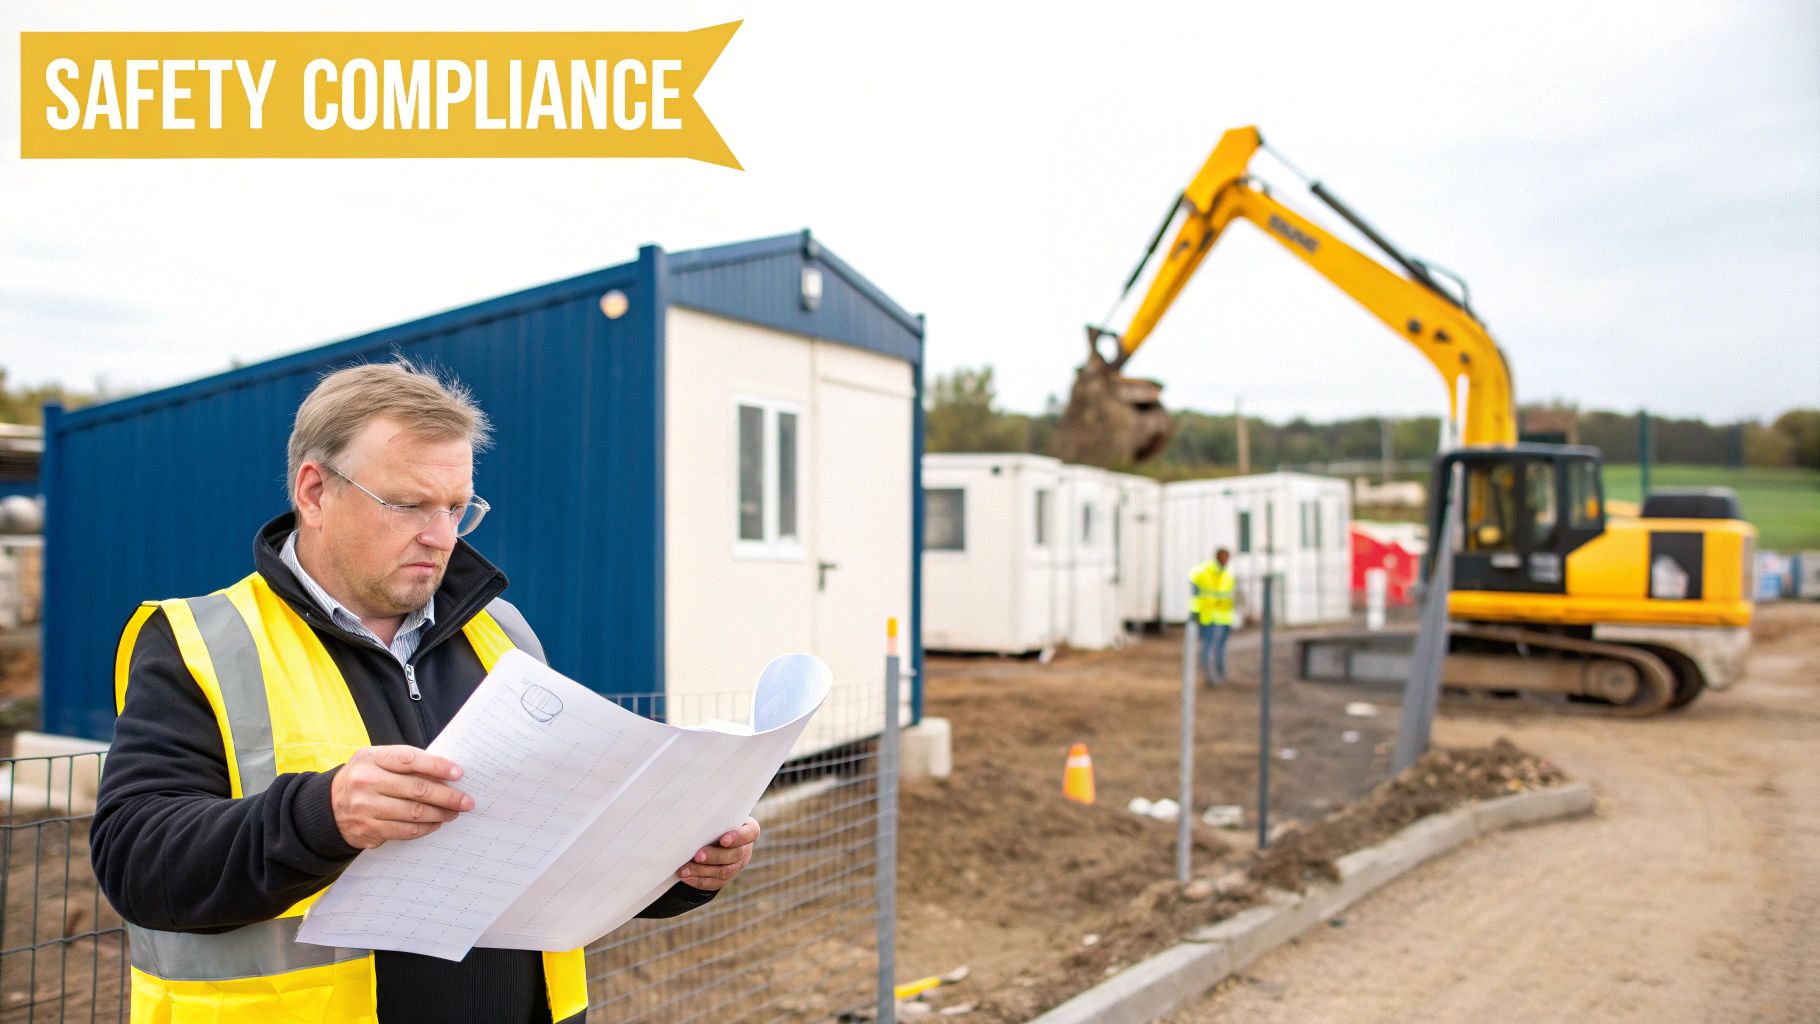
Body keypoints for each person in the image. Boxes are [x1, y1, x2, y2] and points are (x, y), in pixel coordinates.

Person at [91, 360, 759, 1024]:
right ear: (315, 492)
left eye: (457, 508)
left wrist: (678, 867)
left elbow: (554, 850)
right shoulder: (204, 644)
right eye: (408, 505)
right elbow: (137, 862)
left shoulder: (503, 634)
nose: (441, 538)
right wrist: (321, 815)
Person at [1189, 547, 1236, 684]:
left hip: (1225, 618)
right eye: (1223, 557)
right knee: (1209, 647)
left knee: (1220, 648)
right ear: (1218, 557)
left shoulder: (1227, 574)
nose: (1226, 560)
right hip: (1210, 617)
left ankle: (1220, 675)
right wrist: (1196, 612)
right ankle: (1209, 675)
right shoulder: (1206, 572)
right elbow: (1195, 587)